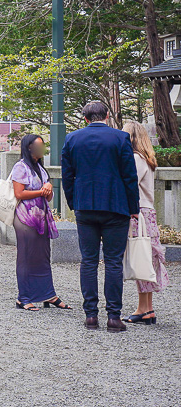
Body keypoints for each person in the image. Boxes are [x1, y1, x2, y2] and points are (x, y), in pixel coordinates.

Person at [61, 101, 139, 332]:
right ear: (107, 115)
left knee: (88, 261)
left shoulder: (72, 139)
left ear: (85, 118)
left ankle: (91, 315)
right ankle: (114, 317)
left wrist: (74, 202)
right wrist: (133, 207)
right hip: (116, 205)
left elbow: (67, 175)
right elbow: (129, 175)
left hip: (85, 206)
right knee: (113, 262)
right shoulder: (120, 138)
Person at [11, 134, 70, 312]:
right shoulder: (20, 167)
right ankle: (24, 297)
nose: (42, 149)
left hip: (41, 216)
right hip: (24, 217)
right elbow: (19, 194)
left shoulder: (40, 168)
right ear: (29, 148)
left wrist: (49, 188)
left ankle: (48, 294)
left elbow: (48, 195)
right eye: (39, 145)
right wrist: (41, 191)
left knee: (43, 256)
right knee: (26, 256)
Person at [122, 121, 170, 325]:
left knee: (141, 257)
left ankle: (143, 309)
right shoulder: (147, 158)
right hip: (148, 211)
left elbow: (129, 184)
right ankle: (147, 308)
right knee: (148, 258)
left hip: (138, 213)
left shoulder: (135, 159)